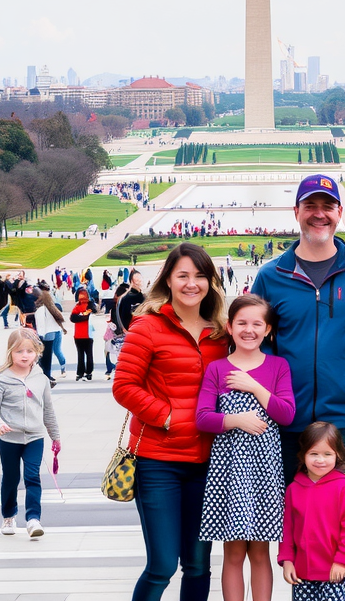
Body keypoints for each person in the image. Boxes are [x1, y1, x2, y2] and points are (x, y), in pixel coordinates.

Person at [251, 174, 345, 601]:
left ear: (339, 213)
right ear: (296, 213)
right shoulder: (271, 276)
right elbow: (254, 341)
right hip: (288, 422)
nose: (319, 213)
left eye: (327, 205)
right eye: (310, 205)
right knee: (299, 522)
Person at [112, 243, 229, 601]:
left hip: (208, 463)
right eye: (183, 276)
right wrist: (168, 417)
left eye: (200, 276)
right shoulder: (148, 325)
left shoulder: (222, 331)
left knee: (197, 564)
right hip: (158, 461)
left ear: (211, 281)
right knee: (162, 564)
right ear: (168, 279)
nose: (191, 284)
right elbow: (123, 386)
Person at [197, 295, 296, 601]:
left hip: (264, 473)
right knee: (234, 551)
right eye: (241, 323)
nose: (249, 330)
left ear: (268, 330)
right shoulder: (217, 369)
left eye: (257, 324)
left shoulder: (278, 366)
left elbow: (286, 414)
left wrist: (254, 386)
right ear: (229, 326)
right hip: (229, 473)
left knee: (260, 551)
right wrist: (236, 419)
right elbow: (203, 418)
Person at [0, 329, 60, 538]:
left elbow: (48, 410)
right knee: (11, 477)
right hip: (9, 438)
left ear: (36, 352)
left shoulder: (41, 378)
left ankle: (33, 519)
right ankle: (8, 516)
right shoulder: (1, 379)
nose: (24, 355)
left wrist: (55, 436)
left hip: (35, 437)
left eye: (29, 351)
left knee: (32, 476)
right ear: (10, 353)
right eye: (19, 351)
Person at [278, 421, 345, 601]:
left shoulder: (343, 486)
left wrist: (342, 561)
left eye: (327, 454)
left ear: (337, 455)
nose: (320, 460)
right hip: (303, 571)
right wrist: (287, 560)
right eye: (313, 453)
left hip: (334, 571)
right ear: (303, 455)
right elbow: (287, 529)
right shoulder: (294, 488)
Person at [33, 282, 66, 384]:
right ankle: (46, 374)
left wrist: (41, 335)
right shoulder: (47, 308)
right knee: (47, 355)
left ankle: (46, 374)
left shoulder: (43, 309)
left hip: (48, 332)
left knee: (47, 355)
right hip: (50, 332)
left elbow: (41, 323)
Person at [70, 287, 98, 381]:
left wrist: (79, 317)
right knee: (89, 354)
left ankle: (80, 373)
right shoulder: (90, 306)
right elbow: (75, 318)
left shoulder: (77, 306)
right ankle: (89, 372)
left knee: (81, 354)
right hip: (87, 334)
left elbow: (73, 318)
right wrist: (83, 316)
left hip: (79, 334)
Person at [118, 268, 146, 332]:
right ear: (132, 282)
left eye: (140, 280)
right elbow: (124, 318)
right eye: (137, 281)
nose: (140, 283)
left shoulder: (144, 296)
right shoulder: (127, 298)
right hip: (132, 331)